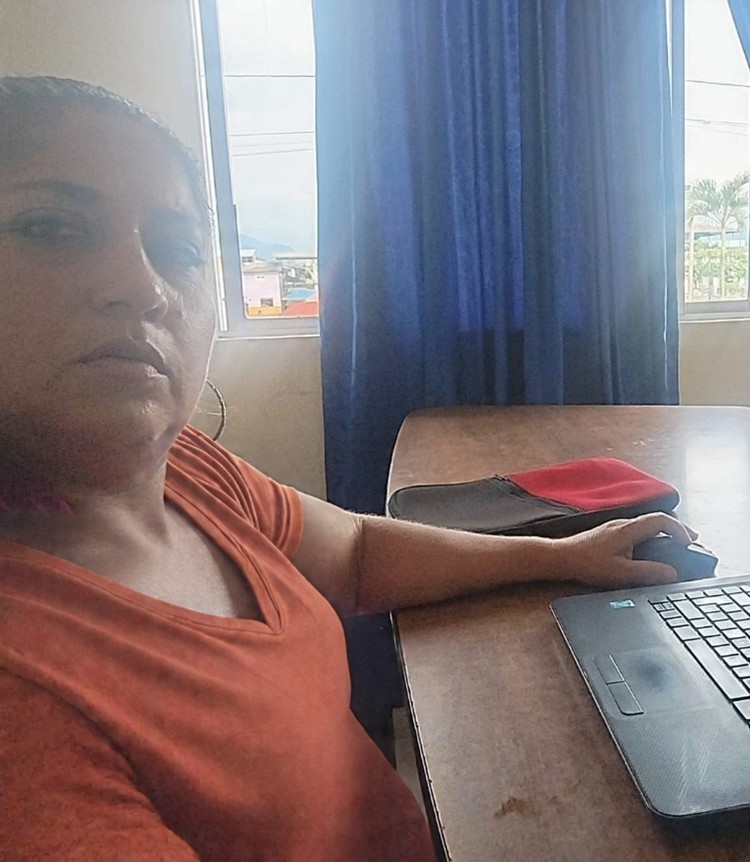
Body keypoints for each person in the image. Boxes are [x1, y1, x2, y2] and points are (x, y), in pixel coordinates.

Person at [0, 77, 692, 861]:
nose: (142, 286)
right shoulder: (22, 707)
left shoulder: (187, 471)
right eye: (50, 228)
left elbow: (358, 554)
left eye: (178, 249)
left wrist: (563, 555)